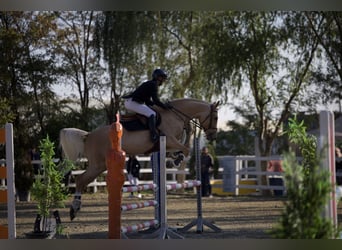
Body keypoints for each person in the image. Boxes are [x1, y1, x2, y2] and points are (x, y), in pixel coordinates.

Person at [123, 68, 172, 143]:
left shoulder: (150, 84)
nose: (162, 80)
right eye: (161, 77)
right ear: (157, 77)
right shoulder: (154, 84)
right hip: (132, 102)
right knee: (152, 113)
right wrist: (165, 106)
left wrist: (161, 105)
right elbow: (156, 100)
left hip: (131, 102)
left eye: (163, 78)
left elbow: (148, 101)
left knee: (151, 111)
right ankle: (153, 135)